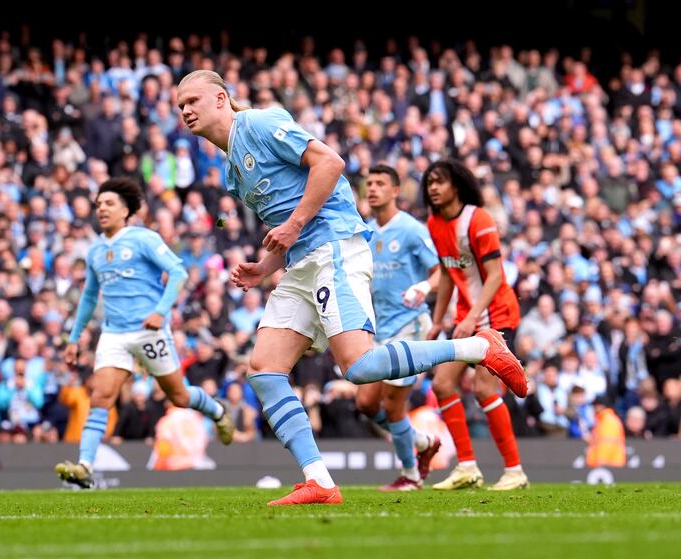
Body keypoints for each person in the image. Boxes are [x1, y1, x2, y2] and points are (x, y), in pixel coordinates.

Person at [177, 70, 526, 505]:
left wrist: (294, 225)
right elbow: (285, 225)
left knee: (359, 368)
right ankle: (319, 480)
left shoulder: (261, 123)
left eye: (192, 99)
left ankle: (479, 348)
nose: (186, 110)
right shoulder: (231, 170)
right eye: (180, 106)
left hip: (334, 247)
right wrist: (265, 267)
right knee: (265, 371)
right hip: (301, 263)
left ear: (221, 98)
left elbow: (331, 163)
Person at [55, 177, 234, 489]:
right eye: (98, 205)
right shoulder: (96, 250)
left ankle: (217, 411)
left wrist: (160, 311)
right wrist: (73, 338)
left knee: (178, 395)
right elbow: (88, 297)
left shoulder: (143, 239)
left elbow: (178, 272)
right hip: (114, 335)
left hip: (148, 331)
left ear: (127, 210)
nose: (102, 209)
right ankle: (85, 466)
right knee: (100, 398)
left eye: (109, 203)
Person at [423, 159, 529, 491]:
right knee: (442, 384)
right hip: (465, 318)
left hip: (496, 314)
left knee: (484, 389)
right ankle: (467, 467)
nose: (433, 188)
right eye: (429, 183)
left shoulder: (478, 219)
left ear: (457, 184)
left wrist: (470, 318)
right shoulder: (434, 223)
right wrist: (438, 321)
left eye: (439, 181)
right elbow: (447, 276)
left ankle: (515, 471)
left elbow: (497, 275)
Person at [355, 164, 442, 491]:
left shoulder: (411, 229)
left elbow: (439, 272)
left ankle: (410, 475)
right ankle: (421, 442)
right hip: (380, 329)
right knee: (366, 403)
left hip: (410, 323)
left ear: (395, 191)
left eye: (380, 183)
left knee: (392, 403)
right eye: (369, 183)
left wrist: (423, 287)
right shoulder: (365, 230)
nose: (373, 188)